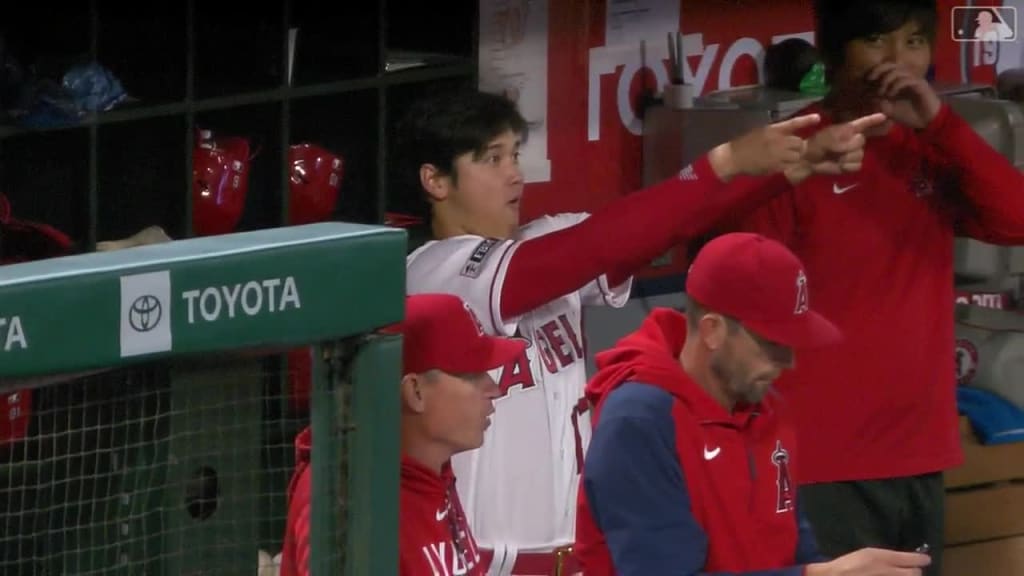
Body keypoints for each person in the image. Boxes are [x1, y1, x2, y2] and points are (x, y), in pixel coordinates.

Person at [398, 88, 886, 573]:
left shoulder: (543, 242)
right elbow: (596, 247)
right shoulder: (431, 276)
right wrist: (724, 162)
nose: (515, 173)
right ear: (435, 181)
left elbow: (657, 228)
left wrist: (785, 172)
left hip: (576, 554)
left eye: (515, 154)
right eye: (492, 158)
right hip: (484, 558)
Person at [703, 1, 1024, 573]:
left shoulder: (931, 149)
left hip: (918, 449)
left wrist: (941, 124)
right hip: (822, 460)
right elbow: (736, 310)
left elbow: (1016, 219)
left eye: (914, 42)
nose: (897, 63)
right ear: (832, 53)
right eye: (877, 42)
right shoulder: (794, 154)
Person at [575, 232, 932, 576]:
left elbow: (796, 554)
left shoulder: (769, 413)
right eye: (771, 344)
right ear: (713, 330)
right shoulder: (639, 424)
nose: (788, 362)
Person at [279, 293, 526, 576]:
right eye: (471, 375)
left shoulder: (431, 472)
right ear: (415, 392)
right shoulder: (343, 496)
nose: (494, 388)